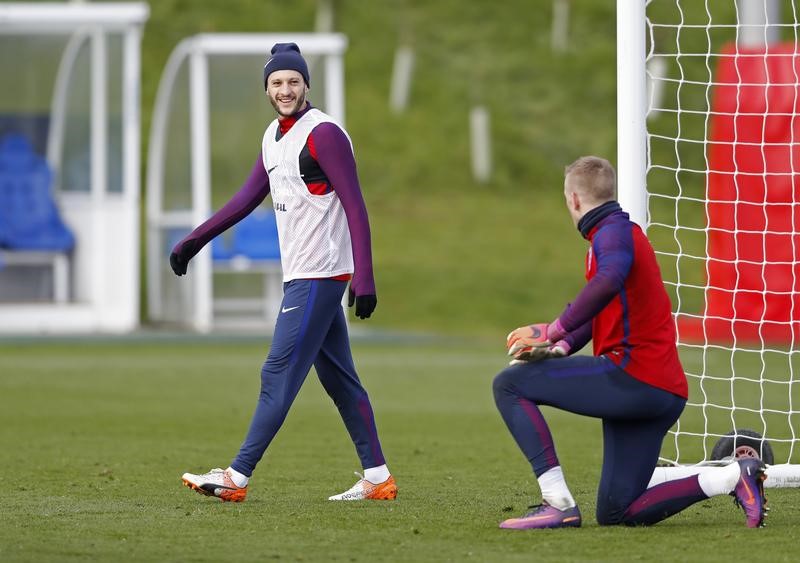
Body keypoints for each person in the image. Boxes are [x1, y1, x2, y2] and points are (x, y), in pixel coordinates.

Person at [172, 43, 396, 503]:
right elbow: (244, 199)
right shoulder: (274, 136)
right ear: (268, 89)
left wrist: (365, 276)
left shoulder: (324, 134)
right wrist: (193, 241)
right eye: (277, 82)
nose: (285, 89)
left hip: (320, 274)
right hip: (303, 275)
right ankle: (377, 478)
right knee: (340, 380)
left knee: (277, 372)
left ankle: (236, 476)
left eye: (294, 81)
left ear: (307, 85)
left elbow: (355, 204)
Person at [492, 156, 767, 529]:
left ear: (573, 200)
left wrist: (553, 329)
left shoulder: (611, 233)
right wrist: (558, 347)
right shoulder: (618, 233)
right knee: (617, 512)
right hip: (660, 391)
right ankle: (733, 476)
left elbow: (607, 280)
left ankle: (557, 503)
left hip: (633, 378)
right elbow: (604, 301)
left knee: (509, 385)